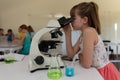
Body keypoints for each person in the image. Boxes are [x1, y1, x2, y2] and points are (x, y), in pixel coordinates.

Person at [63, 2, 120, 80]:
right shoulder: (83, 34)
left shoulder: (88, 32)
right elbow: (70, 55)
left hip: (104, 73)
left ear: (85, 20)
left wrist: (79, 55)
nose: (71, 22)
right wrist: (67, 34)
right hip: (96, 71)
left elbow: (86, 64)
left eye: (73, 18)